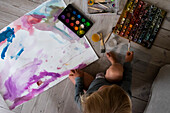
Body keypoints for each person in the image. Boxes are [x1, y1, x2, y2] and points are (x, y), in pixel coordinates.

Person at [69, 51, 134, 113]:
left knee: (73, 75)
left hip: (93, 84)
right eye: (107, 88)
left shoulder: (86, 106)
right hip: (111, 79)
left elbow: (78, 96)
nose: (102, 87)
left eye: (99, 91)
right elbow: (127, 79)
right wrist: (128, 62)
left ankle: (86, 91)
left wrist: (78, 80)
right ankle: (114, 62)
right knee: (116, 70)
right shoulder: (123, 96)